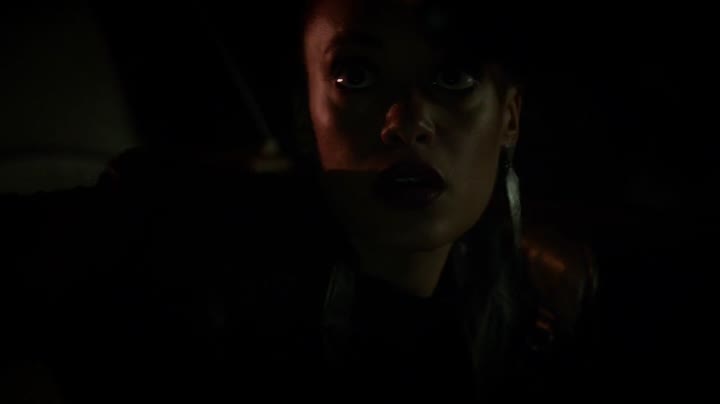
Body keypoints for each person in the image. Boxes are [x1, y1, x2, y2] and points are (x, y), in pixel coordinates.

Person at [2, 1, 598, 402]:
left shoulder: (532, 307)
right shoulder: (177, 249)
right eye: (355, 76)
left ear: (510, 116)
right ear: (306, 110)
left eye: (453, 79)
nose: (407, 121)